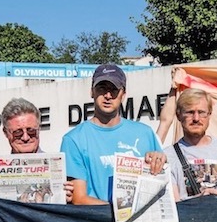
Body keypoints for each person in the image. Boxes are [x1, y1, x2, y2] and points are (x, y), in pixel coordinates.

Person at [61, 63, 167, 204]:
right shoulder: (73, 139)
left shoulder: (145, 133)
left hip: (141, 217)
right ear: (92, 92)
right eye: (102, 89)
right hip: (96, 218)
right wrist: (119, 212)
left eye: (114, 90)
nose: (108, 96)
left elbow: (161, 182)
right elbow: (79, 199)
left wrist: (159, 161)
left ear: (123, 95)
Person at [164, 89, 217, 200]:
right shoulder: (168, 156)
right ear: (179, 116)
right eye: (190, 112)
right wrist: (201, 200)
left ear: (209, 114)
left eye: (201, 112)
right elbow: (174, 204)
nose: (196, 119)